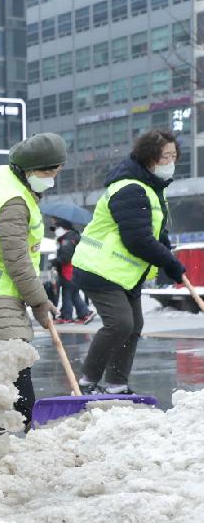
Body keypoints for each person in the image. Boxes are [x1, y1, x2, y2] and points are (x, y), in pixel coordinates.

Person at [0, 133, 64, 429]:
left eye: (57, 169)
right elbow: (17, 259)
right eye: (48, 171)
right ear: (29, 169)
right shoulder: (15, 201)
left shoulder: (1, 175)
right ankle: (20, 427)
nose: (53, 176)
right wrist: (40, 302)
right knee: (17, 358)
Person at [72, 130, 185, 395]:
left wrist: (167, 252)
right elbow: (137, 239)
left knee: (135, 326)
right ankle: (87, 382)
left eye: (174, 156)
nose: (171, 161)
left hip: (125, 273)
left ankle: (116, 384)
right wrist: (169, 262)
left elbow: (155, 232)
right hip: (99, 268)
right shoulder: (130, 188)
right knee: (120, 324)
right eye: (165, 156)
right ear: (149, 158)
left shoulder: (152, 189)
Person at [49, 217, 93, 324]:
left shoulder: (67, 240)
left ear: (63, 227)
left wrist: (53, 261)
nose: (55, 230)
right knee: (73, 294)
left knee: (67, 294)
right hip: (74, 270)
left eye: (57, 227)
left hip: (69, 271)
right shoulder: (72, 237)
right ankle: (83, 314)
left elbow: (66, 258)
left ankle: (68, 316)